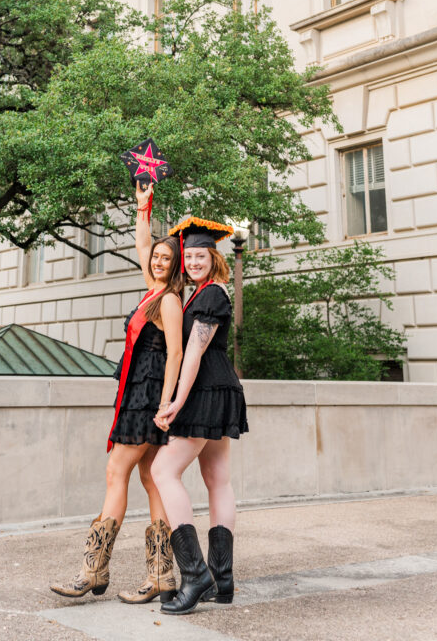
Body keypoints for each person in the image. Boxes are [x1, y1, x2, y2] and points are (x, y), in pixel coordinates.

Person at [50, 182, 184, 603]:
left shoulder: (169, 302)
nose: (159, 262)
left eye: (167, 259)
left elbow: (177, 352)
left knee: (116, 472)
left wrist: (164, 404)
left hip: (148, 396)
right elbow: (143, 244)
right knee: (150, 478)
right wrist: (143, 208)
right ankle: (162, 574)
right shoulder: (154, 290)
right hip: (137, 392)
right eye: (157, 258)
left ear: (176, 266)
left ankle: (93, 570)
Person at [150, 217, 248, 615]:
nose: (192, 261)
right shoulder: (203, 293)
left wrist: (175, 400)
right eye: (187, 256)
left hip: (205, 391)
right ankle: (221, 580)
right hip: (222, 389)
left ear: (213, 256)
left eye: (199, 255)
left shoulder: (210, 295)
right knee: (217, 479)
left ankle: (195, 574)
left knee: (162, 471)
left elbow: (193, 353)